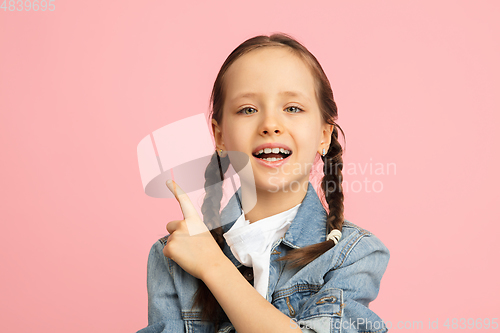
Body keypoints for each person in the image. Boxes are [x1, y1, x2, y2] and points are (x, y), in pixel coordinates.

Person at [137, 33, 390, 333]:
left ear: (324, 134)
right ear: (219, 136)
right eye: (248, 109)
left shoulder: (353, 254)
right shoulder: (174, 256)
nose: (270, 124)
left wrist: (213, 266)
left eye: (292, 108)